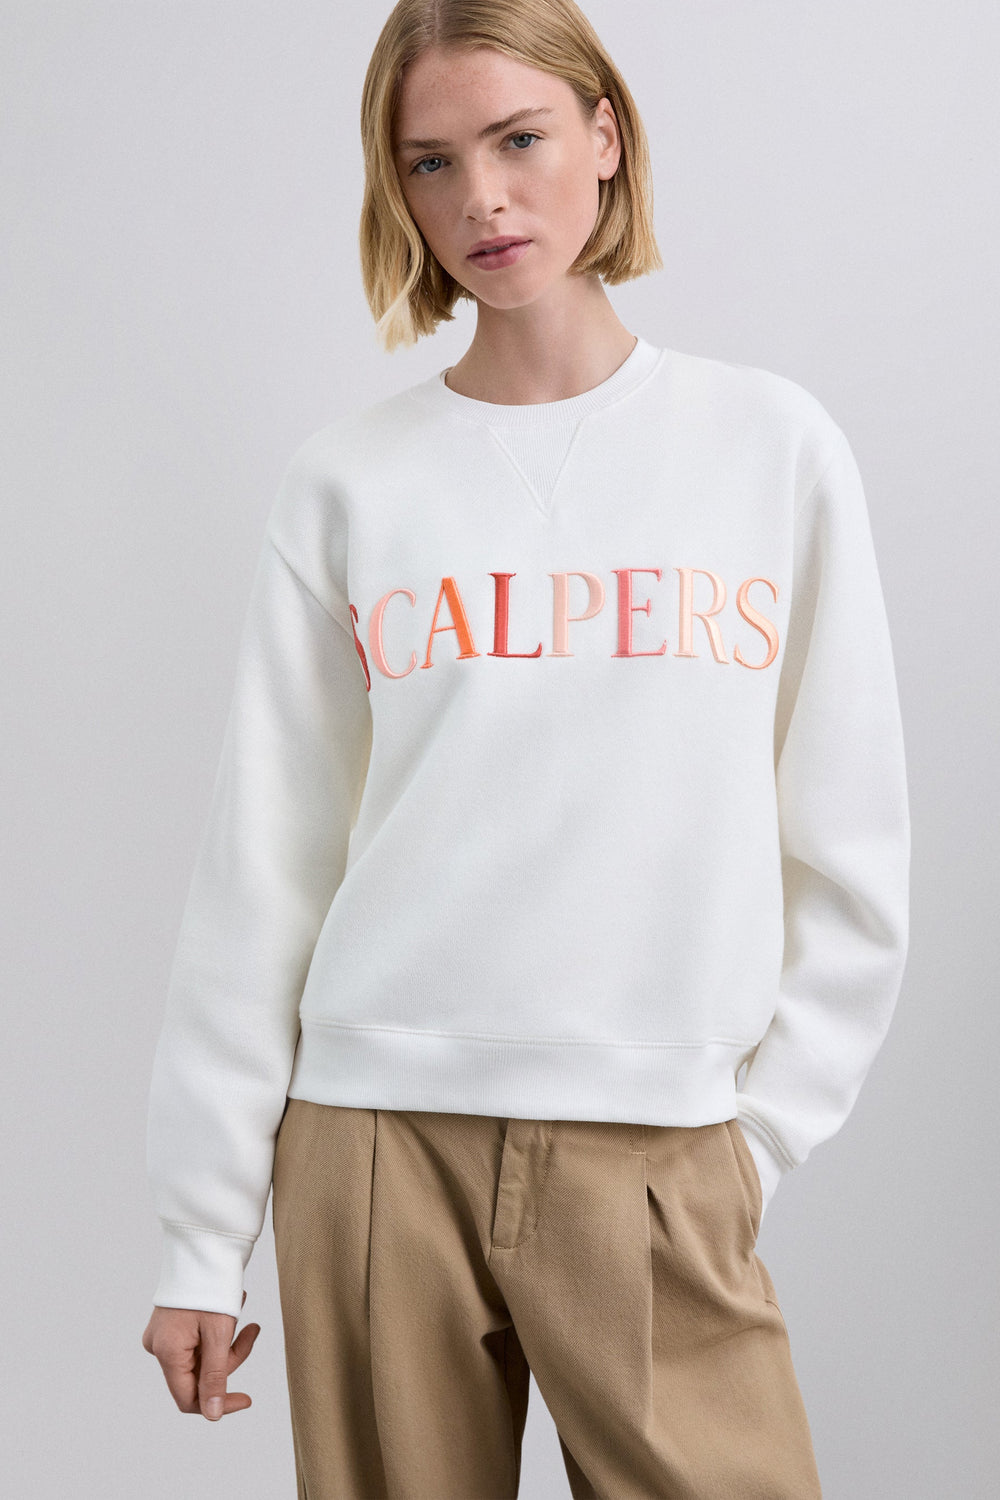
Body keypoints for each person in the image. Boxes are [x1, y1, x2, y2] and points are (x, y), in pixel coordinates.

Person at [141, 1, 910, 1496]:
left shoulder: (770, 447)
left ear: (605, 136)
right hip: (374, 1143)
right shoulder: (350, 484)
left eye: (519, 140)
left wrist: (755, 1141)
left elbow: (848, 833)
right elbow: (265, 867)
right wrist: (198, 1234)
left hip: (660, 1139)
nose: (481, 199)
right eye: (431, 163)